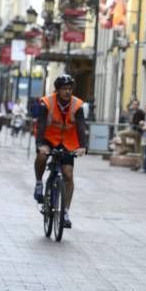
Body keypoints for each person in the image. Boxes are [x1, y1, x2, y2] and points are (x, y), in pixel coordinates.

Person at [32, 74, 88, 229]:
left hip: (68, 142)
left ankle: (65, 212)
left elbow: (81, 126)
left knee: (68, 174)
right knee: (42, 156)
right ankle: (38, 183)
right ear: (57, 90)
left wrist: (83, 145)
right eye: (64, 89)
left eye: (70, 89)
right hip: (49, 138)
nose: (68, 92)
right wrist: (39, 144)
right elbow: (41, 124)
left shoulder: (77, 105)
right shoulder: (47, 102)